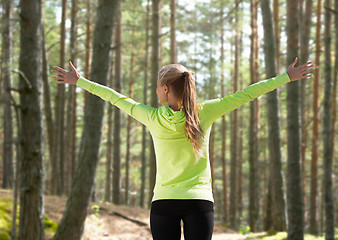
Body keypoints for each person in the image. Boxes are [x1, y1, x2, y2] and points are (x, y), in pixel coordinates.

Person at [52, 58, 315, 240]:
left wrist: (80, 82)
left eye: (157, 86)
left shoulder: (151, 117)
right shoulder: (206, 112)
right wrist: (286, 77)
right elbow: (246, 94)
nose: (156, 91)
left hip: (164, 202)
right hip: (200, 202)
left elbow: (114, 97)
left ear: (165, 89)